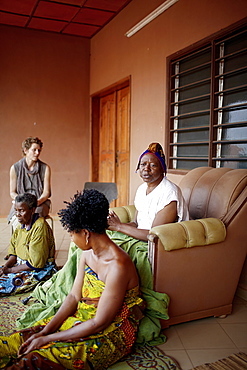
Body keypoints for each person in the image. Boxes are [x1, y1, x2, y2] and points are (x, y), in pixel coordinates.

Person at [0, 189, 144, 370]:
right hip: (82, 319)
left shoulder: (118, 266)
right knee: (16, 342)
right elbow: (73, 298)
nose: (71, 239)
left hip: (108, 332)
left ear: (86, 233)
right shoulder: (86, 254)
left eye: (71, 234)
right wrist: (45, 331)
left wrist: (48, 338)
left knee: (33, 361)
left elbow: (100, 322)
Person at [107, 142, 189, 241]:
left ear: (162, 169)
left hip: (157, 245)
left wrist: (119, 227)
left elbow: (154, 235)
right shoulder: (142, 189)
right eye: (143, 164)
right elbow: (136, 224)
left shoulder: (170, 193)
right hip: (140, 237)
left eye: (153, 165)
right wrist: (112, 224)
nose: (146, 169)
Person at [0, 193, 56, 296]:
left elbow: (36, 264)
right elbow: (13, 254)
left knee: (3, 285)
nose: (17, 214)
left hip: (38, 270)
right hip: (20, 266)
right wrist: (5, 267)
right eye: (16, 210)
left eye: (21, 211)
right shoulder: (20, 227)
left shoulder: (40, 227)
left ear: (33, 210)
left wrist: (11, 270)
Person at [8, 137, 51, 227]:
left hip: (40, 203)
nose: (37, 153)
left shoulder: (45, 168)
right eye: (34, 150)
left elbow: (46, 192)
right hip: (20, 203)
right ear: (26, 150)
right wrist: (23, 202)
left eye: (39, 150)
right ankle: (20, 239)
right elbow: (12, 192)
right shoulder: (15, 168)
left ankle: (34, 240)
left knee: (35, 217)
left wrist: (36, 202)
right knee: (18, 217)